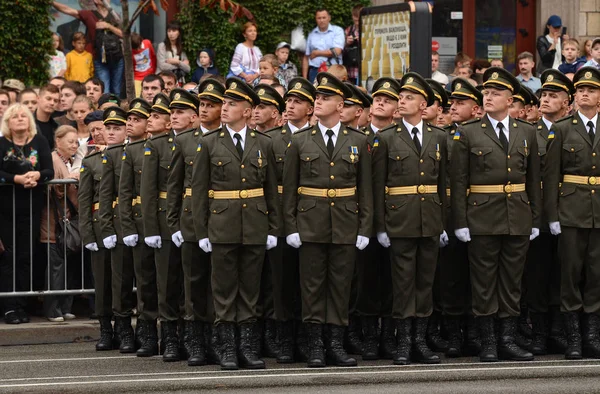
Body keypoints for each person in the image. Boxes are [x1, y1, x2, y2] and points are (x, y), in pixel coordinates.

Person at [451, 67, 541, 362]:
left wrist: (535, 218)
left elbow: (532, 181)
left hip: (516, 215)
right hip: (482, 216)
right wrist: (461, 221)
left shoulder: (526, 132)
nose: (488, 97)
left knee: (512, 281)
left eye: (495, 93)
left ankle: (507, 339)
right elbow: (459, 180)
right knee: (484, 280)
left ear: (510, 98)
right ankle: (489, 341)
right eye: (486, 93)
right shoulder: (469, 131)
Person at [283, 72, 371, 368]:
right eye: (317, 97)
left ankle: (334, 343)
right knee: (312, 287)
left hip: (345, 223)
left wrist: (365, 227)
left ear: (340, 104)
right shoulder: (299, 141)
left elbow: (366, 189)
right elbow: (290, 190)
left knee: (340, 286)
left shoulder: (357, 140)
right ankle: (315, 346)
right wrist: (291, 226)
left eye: (325, 98)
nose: (318, 102)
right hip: (310, 224)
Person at [191, 78, 279, 370]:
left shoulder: (263, 143)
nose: (225, 108)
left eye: (232, 104)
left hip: (254, 225)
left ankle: (247, 347)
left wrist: (273, 228)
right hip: (222, 226)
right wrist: (202, 231)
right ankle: (227, 347)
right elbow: (199, 191)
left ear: (247, 110)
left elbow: (270, 191)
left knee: (250, 290)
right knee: (224, 290)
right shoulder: (208, 143)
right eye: (225, 103)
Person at [372, 73, 447, 365]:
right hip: (400, 220)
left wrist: (442, 222)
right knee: (403, 284)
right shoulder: (387, 138)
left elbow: (442, 185)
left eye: (409, 97)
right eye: (400, 97)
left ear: (423, 103)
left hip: (429, 219)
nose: (402, 101)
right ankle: (403, 342)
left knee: (424, 283)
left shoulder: (438, 137)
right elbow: (378, 186)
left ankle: (419, 341)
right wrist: (380, 226)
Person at [545, 67, 600, 360]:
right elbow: (552, 175)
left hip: (598, 212)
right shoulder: (562, 128)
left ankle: (591, 335)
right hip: (570, 210)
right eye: (580, 91)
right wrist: (552, 215)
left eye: (590, 90)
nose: (584, 94)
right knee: (570, 274)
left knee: (596, 273)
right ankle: (574, 337)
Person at [167, 82, 221, 366]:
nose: (204, 108)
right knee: (193, 284)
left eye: (211, 104)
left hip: (222, 219)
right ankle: (194, 342)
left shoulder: (226, 139)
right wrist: (174, 223)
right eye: (202, 104)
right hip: (190, 221)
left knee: (218, 285)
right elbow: (174, 186)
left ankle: (215, 340)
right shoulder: (185, 141)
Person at [264, 77, 316, 363]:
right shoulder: (273, 139)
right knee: (281, 283)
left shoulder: (318, 137)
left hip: (312, 217)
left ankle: (308, 337)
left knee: (309, 282)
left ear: (310, 108)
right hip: (282, 219)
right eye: (289, 102)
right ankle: (283, 338)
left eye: (298, 102)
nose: (291, 106)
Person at [141, 89, 194, 362]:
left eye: (179, 112)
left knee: (190, 282)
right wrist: (151, 229)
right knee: (167, 282)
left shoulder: (199, 141)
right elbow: (148, 192)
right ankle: (170, 337)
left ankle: (190, 335)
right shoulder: (157, 145)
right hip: (164, 223)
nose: (173, 117)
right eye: (170, 113)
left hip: (191, 219)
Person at [523, 69, 572, 357]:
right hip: (538, 211)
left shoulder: (573, 129)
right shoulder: (529, 131)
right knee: (537, 273)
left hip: (569, 210)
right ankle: (540, 332)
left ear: (567, 102)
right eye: (543, 94)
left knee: (564, 273)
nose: (545, 99)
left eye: (553, 96)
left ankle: (559, 330)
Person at [352, 77, 400, 361]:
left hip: (396, 218)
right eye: (377, 99)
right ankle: (369, 336)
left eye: (388, 100)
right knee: (366, 279)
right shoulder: (359, 138)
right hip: (363, 220)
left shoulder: (399, 137)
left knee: (394, 280)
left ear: (396, 109)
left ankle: (389, 336)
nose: (380, 102)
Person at [0, 103, 54, 324]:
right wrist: (16, 179)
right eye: (15, 116)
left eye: (24, 115)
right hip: (5, 210)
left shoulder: (39, 141)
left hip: (31, 208)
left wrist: (37, 176)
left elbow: (49, 170)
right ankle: (9, 307)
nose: (20, 118)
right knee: (8, 258)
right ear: (8, 122)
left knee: (25, 257)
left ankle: (22, 304)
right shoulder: (2, 144)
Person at [441, 78, 483, 358]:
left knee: (478, 277)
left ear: (476, 109)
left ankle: (476, 333)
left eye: (460, 103)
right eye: (452, 103)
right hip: (448, 213)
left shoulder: (479, 135)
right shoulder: (441, 135)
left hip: (478, 211)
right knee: (452, 277)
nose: (453, 107)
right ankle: (454, 335)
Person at [117, 97, 157, 357]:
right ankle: (147, 333)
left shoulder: (157, 146)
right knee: (144, 282)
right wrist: (129, 226)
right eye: (129, 119)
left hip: (161, 221)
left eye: (137, 120)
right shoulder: (129, 152)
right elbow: (125, 192)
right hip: (140, 223)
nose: (131, 124)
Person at [98, 106, 135, 353]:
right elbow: (102, 197)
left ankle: (140, 329)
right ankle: (121, 329)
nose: (111, 133)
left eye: (117, 128)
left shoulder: (140, 152)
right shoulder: (103, 158)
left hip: (140, 221)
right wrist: (106, 228)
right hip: (117, 224)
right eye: (108, 128)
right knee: (117, 282)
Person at [79, 109, 114, 350]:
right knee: (102, 281)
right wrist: (87, 233)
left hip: (126, 222)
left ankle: (129, 328)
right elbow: (84, 200)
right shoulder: (90, 161)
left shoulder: (126, 155)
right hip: (100, 224)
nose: (98, 133)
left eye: (101, 128)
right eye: (92, 130)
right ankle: (106, 329)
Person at [41, 125, 79, 322]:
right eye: (70, 141)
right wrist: (70, 181)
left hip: (67, 222)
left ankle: (65, 306)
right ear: (58, 142)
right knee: (56, 267)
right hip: (54, 223)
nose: (74, 145)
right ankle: (53, 309)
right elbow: (54, 189)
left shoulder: (70, 161)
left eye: (76, 141)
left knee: (68, 266)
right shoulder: (54, 160)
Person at [52, 1, 125, 96]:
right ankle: (104, 110)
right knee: (104, 89)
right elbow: (68, 10)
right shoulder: (89, 14)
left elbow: (124, 35)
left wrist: (109, 26)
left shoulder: (115, 15)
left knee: (117, 90)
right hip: (100, 59)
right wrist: (51, 2)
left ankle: (115, 110)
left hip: (117, 57)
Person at [303, 9, 344, 83]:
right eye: (319, 18)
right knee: (315, 94)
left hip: (333, 71)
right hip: (314, 71)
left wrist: (316, 53)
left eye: (324, 17)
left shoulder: (337, 31)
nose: (321, 20)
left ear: (329, 18)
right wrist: (305, 78)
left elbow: (336, 52)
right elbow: (306, 57)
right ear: (316, 19)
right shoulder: (312, 34)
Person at [35, 84, 60, 150]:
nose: (52, 103)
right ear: (38, 98)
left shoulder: (57, 126)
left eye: (55, 101)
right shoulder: (27, 123)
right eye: (48, 99)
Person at [131, 32, 157, 97]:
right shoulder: (130, 51)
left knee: (152, 95)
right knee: (137, 96)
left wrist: (153, 71)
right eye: (136, 48)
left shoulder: (147, 43)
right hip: (137, 77)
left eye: (139, 47)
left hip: (149, 73)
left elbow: (153, 57)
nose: (138, 50)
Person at [343, 5, 362, 84]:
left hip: (364, 71)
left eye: (359, 16)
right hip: (351, 71)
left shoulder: (369, 30)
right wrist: (347, 43)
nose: (357, 19)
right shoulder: (348, 30)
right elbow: (341, 50)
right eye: (355, 16)